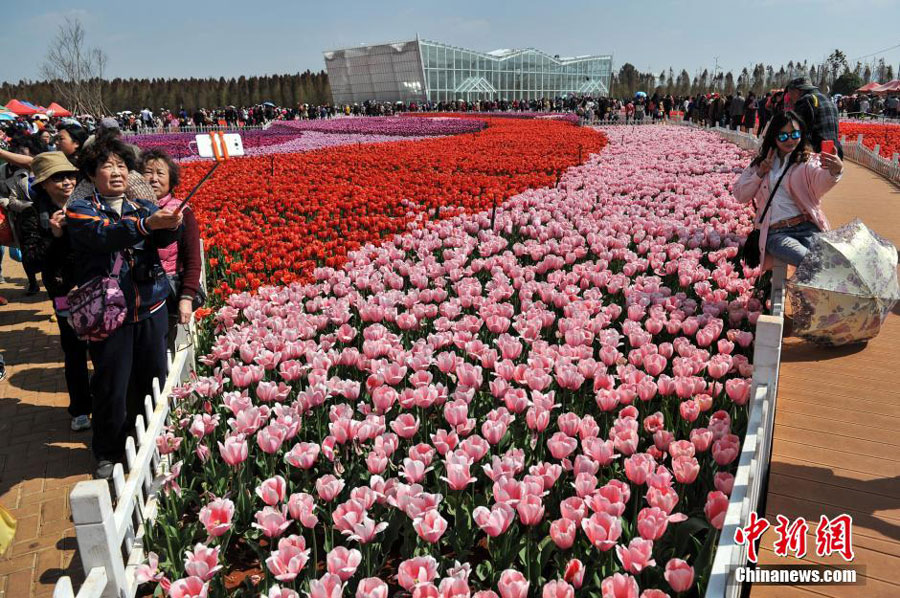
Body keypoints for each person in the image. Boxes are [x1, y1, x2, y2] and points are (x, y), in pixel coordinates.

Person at [66, 135, 183, 479]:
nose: (116, 172)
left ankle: (156, 438)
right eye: (107, 165)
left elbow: (159, 238)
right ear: (92, 173)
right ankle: (109, 450)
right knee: (111, 385)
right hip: (108, 314)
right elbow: (107, 236)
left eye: (121, 165)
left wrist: (170, 225)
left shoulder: (142, 206)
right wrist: (148, 225)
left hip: (150, 305)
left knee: (154, 378)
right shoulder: (81, 209)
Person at [16, 152, 92, 431]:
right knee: (74, 349)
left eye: (70, 176)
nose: (66, 182)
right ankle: (80, 408)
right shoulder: (32, 214)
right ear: (44, 183)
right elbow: (31, 260)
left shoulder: (87, 204)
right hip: (63, 290)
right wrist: (55, 236)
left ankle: (102, 399)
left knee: (102, 346)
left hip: (95, 284)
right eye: (57, 178)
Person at [733, 110, 844, 269]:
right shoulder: (760, 163)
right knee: (811, 263)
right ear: (773, 136)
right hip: (777, 233)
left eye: (795, 134)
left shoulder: (807, 161)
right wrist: (759, 174)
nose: (790, 140)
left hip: (807, 227)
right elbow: (740, 195)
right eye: (783, 136)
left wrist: (835, 171)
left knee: (831, 261)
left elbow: (820, 183)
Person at [139, 149, 203, 348]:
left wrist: (186, 297)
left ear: (171, 180)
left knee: (162, 347)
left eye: (160, 173)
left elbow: (193, 258)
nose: (154, 179)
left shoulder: (181, 211)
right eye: (148, 172)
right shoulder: (130, 209)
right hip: (137, 292)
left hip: (168, 290)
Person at [784, 77, 842, 158]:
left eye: (790, 94)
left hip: (816, 153)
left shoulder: (805, 100)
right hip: (833, 151)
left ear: (797, 92)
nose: (790, 98)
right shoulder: (828, 101)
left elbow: (798, 129)